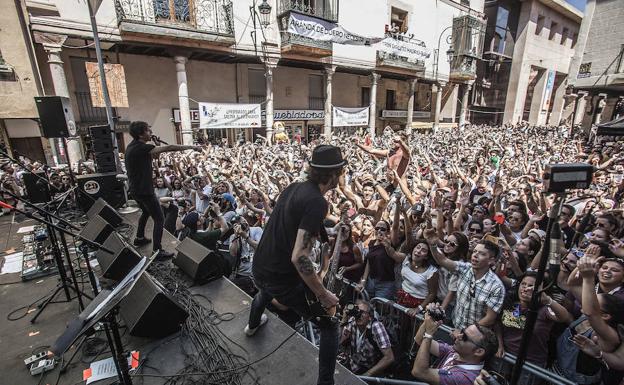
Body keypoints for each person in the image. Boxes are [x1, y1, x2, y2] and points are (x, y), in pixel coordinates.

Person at [245, 144, 346, 385]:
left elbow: (290, 224)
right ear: (334, 174)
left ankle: (251, 326)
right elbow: (299, 256)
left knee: (265, 291)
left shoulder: (293, 188)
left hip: (260, 266)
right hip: (281, 276)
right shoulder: (317, 203)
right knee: (330, 324)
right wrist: (322, 294)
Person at [125, 121, 201, 259]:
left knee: (146, 212)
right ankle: (157, 251)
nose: (151, 133)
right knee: (159, 218)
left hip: (136, 189)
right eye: (148, 131)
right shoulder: (141, 147)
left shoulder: (132, 146)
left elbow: (155, 156)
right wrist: (192, 146)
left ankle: (140, 237)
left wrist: (154, 144)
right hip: (144, 190)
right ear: (141, 134)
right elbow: (170, 147)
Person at [425, 228, 505, 329]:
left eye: (482, 253)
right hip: (454, 325)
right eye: (475, 251)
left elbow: (490, 318)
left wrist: (465, 332)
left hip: (474, 337)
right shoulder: (465, 268)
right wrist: (433, 245)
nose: (475, 255)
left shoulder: (496, 286)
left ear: (491, 260)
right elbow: (443, 260)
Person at [411, 303, 499, 385]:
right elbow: (419, 339)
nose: (459, 335)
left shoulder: (466, 378)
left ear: (479, 351)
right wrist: (430, 318)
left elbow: (419, 372)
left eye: (465, 337)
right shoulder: (456, 353)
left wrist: (429, 334)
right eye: (462, 331)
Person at [340, 299, 395, 376]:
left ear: (370, 317)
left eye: (363, 313)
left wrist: (367, 374)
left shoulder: (376, 326)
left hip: (370, 369)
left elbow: (389, 357)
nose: (359, 315)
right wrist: (344, 318)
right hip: (354, 365)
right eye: (358, 311)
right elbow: (340, 342)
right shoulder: (352, 321)